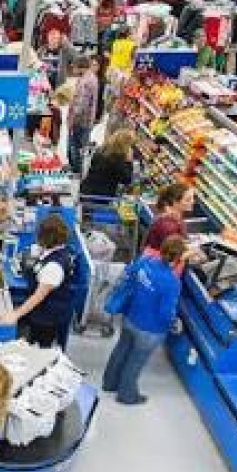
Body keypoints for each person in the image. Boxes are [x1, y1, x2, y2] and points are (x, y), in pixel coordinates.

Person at [103, 236, 186, 405]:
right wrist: (174, 323)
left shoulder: (145, 261)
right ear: (178, 258)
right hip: (150, 329)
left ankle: (109, 383)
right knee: (135, 362)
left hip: (130, 317)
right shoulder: (172, 282)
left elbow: (128, 279)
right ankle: (126, 395)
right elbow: (165, 312)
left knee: (121, 350)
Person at [0, 214, 75, 348]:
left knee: (38, 352)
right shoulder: (58, 251)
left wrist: (15, 314)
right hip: (44, 313)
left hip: (46, 320)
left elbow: (38, 296)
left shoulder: (54, 266)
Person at [80, 128, 135, 197]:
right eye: (130, 146)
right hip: (100, 197)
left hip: (86, 190)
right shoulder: (116, 160)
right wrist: (129, 161)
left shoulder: (101, 151)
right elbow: (127, 180)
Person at [68, 55, 100, 175]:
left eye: (74, 67)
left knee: (76, 146)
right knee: (80, 145)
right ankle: (77, 169)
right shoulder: (91, 77)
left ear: (80, 67)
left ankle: (76, 171)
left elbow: (81, 106)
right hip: (87, 120)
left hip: (81, 121)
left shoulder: (86, 82)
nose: (73, 70)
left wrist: (72, 119)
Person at [143, 183, 195, 252]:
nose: (193, 201)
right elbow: (172, 255)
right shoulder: (168, 226)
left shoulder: (175, 216)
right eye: (188, 200)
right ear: (175, 202)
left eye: (192, 198)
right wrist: (194, 252)